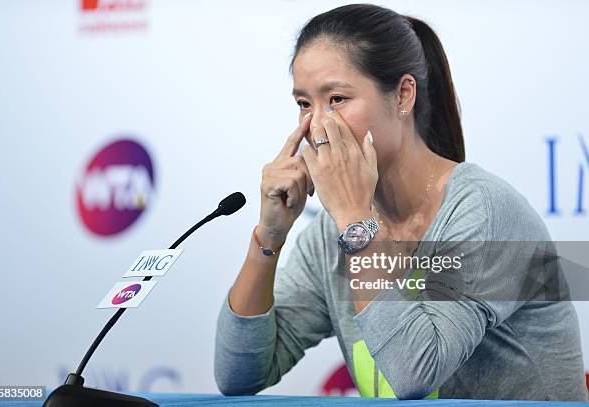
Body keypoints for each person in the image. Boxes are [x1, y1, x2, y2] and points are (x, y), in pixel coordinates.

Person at [214, 3, 586, 400]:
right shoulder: (330, 233)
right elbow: (240, 375)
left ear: (404, 95)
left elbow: (414, 372)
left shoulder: (483, 209)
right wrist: (269, 236)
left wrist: (356, 222)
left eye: (337, 99)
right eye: (304, 104)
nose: (317, 126)